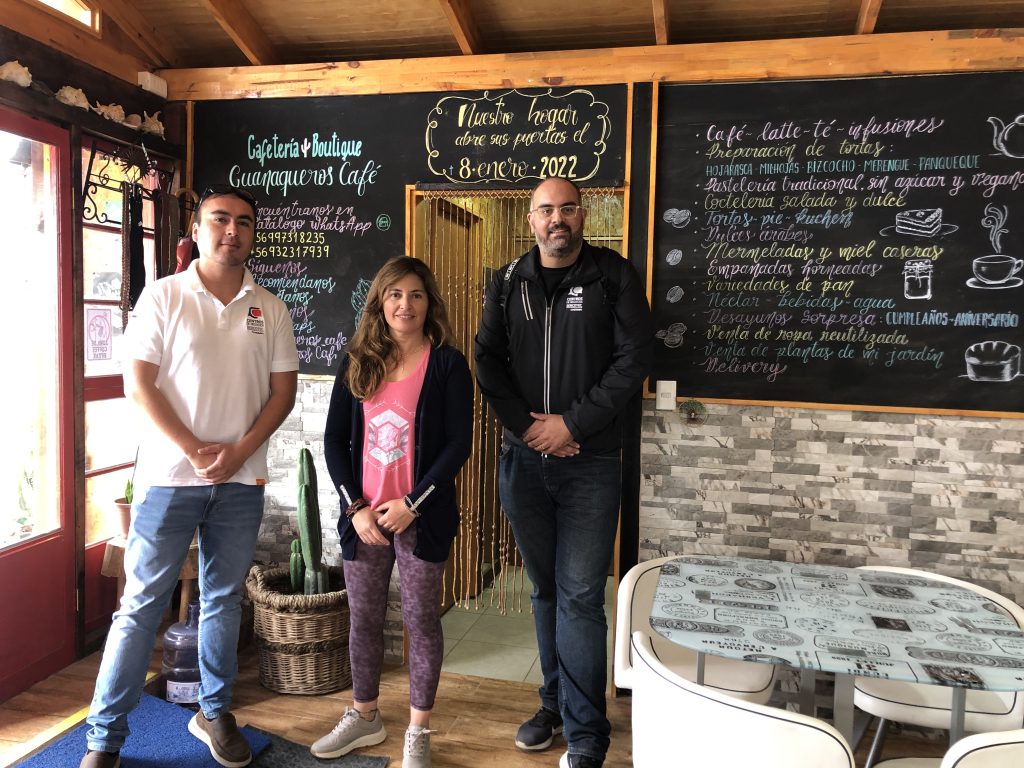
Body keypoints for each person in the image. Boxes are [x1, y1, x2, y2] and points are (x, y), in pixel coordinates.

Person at [81, 185, 299, 768]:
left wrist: (239, 452)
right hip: (168, 478)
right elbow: (138, 384)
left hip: (241, 482)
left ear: (253, 234)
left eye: (244, 222)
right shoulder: (163, 296)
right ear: (197, 230)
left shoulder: (271, 308)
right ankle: (104, 739)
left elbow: (282, 394)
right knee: (140, 606)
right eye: (220, 219)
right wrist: (194, 450)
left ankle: (214, 711)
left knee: (223, 601)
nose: (233, 231)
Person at [474, 177, 653, 768]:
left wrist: (572, 424)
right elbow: (487, 361)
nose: (558, 219)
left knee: (579, 596)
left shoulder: (613, 276)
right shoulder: (506, 282)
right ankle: (553, 704)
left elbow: (633, 360)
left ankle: (586, 733)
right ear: (531, 220)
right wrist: (530, 429)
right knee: (546, 590)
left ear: (584, 215)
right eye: (546, 209)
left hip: (591, 464)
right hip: (523, 461)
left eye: (568, 208)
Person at [314, 256, 473, 768]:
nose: (406, 304)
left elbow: (458, 444)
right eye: (395, 294)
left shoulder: (447, 364)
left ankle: (417, 731)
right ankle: (365, 716)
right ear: (380, 302)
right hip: (364, 522)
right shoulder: (356, 362)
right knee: (363, 620)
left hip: (422, 519)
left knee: (421, 621)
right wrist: (356, 508)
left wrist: (412, 504)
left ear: (429, 303)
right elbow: (334, 441)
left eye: (416, 294)